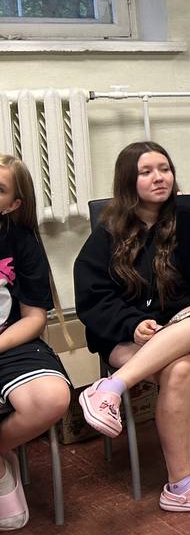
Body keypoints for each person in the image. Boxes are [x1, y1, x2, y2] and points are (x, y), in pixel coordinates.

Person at [73, 143, 190, 512]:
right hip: (127, 336)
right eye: (146, 171)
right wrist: (133, 324)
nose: (159, 177)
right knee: (179, 367)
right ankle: (181, 486)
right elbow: (92, 298)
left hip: (180, 324)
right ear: (128, 180)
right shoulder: (108, 232)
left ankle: (111, 387)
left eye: (164, 169)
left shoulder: (183, 218)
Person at [0, 155, 71, 528]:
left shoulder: (21, 240)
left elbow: (34, 318)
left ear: (13, 204)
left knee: (53, 397)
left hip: (11, 339)